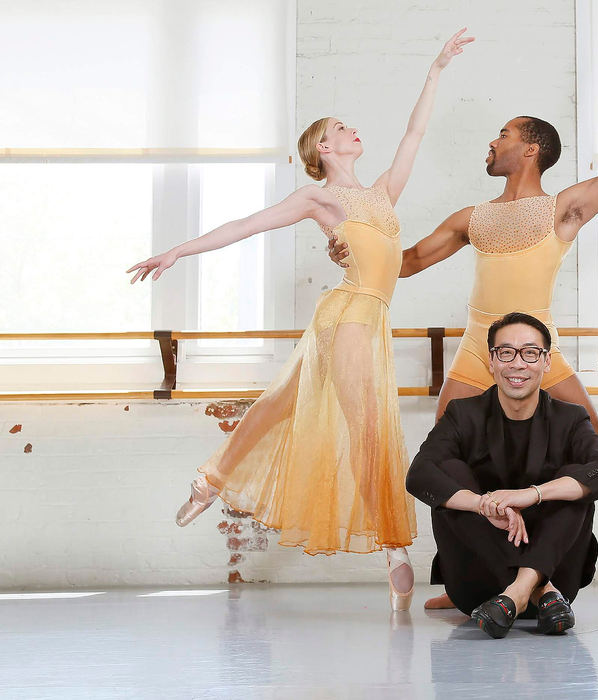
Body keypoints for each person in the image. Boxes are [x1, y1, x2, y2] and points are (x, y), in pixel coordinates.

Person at [333, 93, 598, 610]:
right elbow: (404, 264)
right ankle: (469, 580)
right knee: (444, 467)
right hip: (478, 350)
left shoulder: (564, 209)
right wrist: (352, 249)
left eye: (505, 135)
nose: (492, 143)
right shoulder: (472, 218)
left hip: (541, 351)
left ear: (532, 149)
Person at [126, 29, 475, 611]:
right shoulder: (318, 199)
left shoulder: (384, 194)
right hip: (348, 318)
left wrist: (435, 69)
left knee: (279, 403)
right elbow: (247, 224)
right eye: (340, 128)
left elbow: (415, 132)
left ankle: (208, 481)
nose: (351, 130)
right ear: (325, 149)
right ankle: (393, 548)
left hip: (368, 318)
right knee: (367, 426)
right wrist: (178, 251)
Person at [406, 312, 598, 638]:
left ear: (546, 362)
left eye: (530, 353)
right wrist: (484, 505)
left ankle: (520, 592)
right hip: (483, 588)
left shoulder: (571, 418)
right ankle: (536, 587)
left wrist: (531, 494)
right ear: (491, 361)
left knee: (574, 480)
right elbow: (419, 474)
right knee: (449, 471)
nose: (518, 364)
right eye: (506, 352)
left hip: (557, 579)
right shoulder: (463, 414)